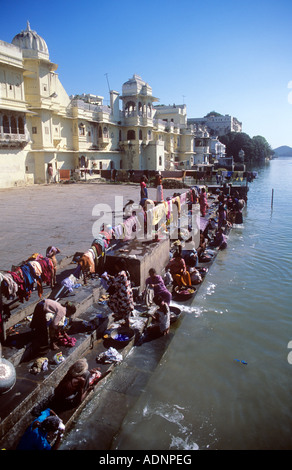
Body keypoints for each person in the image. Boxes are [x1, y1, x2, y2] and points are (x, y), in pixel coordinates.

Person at [106, 258, 134, 327]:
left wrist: (106, 278)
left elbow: (113, 283)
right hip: (128, 294)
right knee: (126, 310)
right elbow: (118, 280)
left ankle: (119, 314)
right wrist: (111, 277)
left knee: (111, 302)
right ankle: (126, 322)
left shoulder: (120, 274)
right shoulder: (126, 272)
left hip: (123, 296)